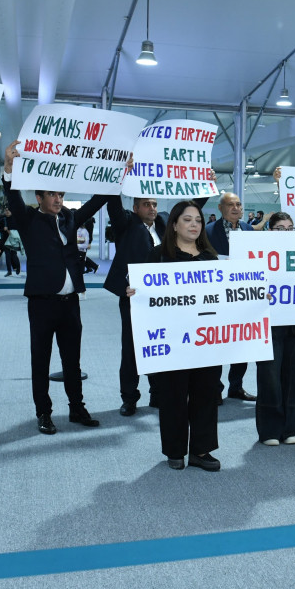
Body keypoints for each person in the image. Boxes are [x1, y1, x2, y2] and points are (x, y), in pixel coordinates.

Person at [3, 140, 110, 435]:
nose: (58, 199)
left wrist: (117, 174)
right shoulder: (28, 219)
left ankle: (77, 408)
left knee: (72, 360)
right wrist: (9, 169)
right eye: (52, 194)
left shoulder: (69, 219)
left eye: (60, 194)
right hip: (42, 302)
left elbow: (95, 202)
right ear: (39, 197)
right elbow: (12, 199)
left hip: (69, 303)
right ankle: (44, 413)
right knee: (41, 359)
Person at [130, 200, 223, 471]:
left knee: (206, 393)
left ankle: (201, 451)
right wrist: (134, 293)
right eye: (187, 219)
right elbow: (144, 292)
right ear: (174, 225)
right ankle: (174, 450)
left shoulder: (210, 257)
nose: (194, 224)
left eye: (198, 220)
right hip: (172, 341)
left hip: (205, 339)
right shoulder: (159, 255)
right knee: (173, 395)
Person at [104, 192, 210, 416]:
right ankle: (129, 398)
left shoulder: (164, 222)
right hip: (134, 296)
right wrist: (115, 174)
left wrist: (206, 186)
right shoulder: (126, 224)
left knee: (159, 344)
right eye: (146, 205)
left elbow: (189, 208)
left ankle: (157, 393)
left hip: (164, 300)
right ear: (135, 208)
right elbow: (113, 204)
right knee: (132, 348)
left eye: (154, 204)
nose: (152, 208)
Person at [254, 212, 295, 446]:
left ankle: (290, 428)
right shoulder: (255, 254)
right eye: (279, 228)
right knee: (269, 377)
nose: (285, 233)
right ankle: (269, 430)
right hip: (268, 323)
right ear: (270, 231)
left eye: (289, 228)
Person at [205, 191, 257, 402]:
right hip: (217, 294)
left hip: (242, 295)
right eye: (230, 205)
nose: (236, 208)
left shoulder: (248, 229)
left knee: (240, 342)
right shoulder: (208, 231)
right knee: (217, 342)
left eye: (238, 204)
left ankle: (236, 386)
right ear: (220, 208)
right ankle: (214, 389)